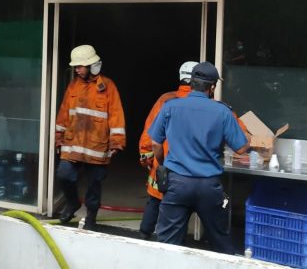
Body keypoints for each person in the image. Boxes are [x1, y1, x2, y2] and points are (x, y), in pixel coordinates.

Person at [149, 61, 249, 254]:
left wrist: (162, 163)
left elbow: (155, 143)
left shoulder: (171, 106)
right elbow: (242, 148)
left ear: (191, 82)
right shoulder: (222, 111)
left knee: (167, 245)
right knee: (220, 242)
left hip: (176, 183)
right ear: (212, 87)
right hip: (208, 187)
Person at [55, 44, 126, 230]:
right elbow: (64, 112)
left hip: (97, 146)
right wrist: (58, 136)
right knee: (64, 175)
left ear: (91, 65)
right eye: (75, 66)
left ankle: (91, 217)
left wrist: (117, 142)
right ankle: (72, 203)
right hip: (73, 144)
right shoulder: (73, 85)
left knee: (94, 185)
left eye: (79, 66)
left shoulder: (108, 87)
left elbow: (116, 115)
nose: (76, 69)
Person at [137, 61, 198, 240]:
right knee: (180, 206)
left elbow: (150, 130)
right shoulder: (205, 104)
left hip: (162, 162)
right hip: (187, 167)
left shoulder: (166, 99)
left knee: (155, 200)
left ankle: (144, 234)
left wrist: (146, 157)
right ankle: (174, 239)